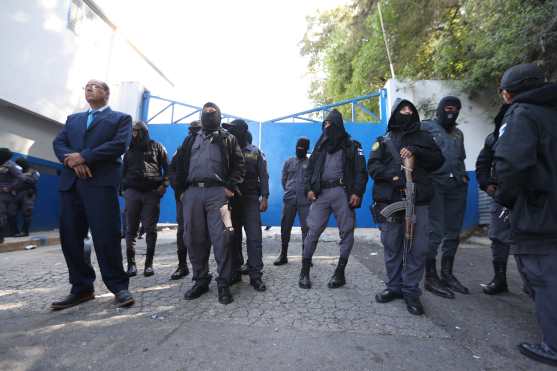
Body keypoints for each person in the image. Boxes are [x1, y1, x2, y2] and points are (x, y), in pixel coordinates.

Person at [494, 63, 557, 367]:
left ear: (509, 93)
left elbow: (511, 165)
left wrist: (505, 199)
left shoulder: (521, 114)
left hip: (538, 210)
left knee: (544, 278)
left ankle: (553, 345)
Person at [51, 79, 134, 310]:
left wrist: (85, 156)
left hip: (100, 184)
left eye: (95, 86)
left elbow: (119, 145)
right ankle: (82, 288)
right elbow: (59, 143)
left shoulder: (120, 119)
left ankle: (119, 287)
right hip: (71, 185)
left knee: (106, 236)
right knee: (71, 238)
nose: (89, 88)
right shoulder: (73, 119)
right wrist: (72, 159)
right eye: (86, 86)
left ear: (106, 93)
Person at [369, 99, 444, 315]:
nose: (408, 112)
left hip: (418, 200)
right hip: (392, 200)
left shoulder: (424, 137)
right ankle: (393, 287)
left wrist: (416, 151)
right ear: (394, 113)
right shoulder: (382, 141)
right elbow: (373, 166)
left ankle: (411, 290)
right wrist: (393, 178)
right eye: (403, 109)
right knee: (392, 245)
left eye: (411, 109)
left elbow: (438, 160)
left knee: (418, 248)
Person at [175, 102, 245, 305]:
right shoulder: (190, 140)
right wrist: (181, 191)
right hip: (193, 194)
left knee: (224, 237)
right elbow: (178, 165)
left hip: (219, 195)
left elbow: (239, 165)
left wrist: (230, 187)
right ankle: (201, 280)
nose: (208, 115)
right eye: (205, 112)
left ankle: (223, 282)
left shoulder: (228, 138)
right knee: (193, 237)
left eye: (213, 112)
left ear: (219, 116)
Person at [299, 109, 367, 289]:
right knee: (312, 231)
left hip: (342, 192)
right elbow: (310, 169)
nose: (326, 128)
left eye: (330, 124)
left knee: (346, 231)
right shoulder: (320, 146)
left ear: (338, 125)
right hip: (321, 194)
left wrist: (357, 193)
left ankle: (340, 273)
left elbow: (361, 171)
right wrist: (309, 189)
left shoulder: (352, 145)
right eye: (324, 125)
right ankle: (304, 271)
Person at [421, 96, 469, 298]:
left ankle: (447, 273)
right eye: (448, 108)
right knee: (436, 231)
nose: (452, 112)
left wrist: (464, 177)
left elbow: (460, 158)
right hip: (435, 185)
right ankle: (430, 277)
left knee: (453, 232)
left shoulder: (458, 133)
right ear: (441, 109)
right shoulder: (426, 127)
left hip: (457, 185)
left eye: (456, 109)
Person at [223, 119, 269, 291]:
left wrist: (264, 197)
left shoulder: (255, 152)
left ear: (242, 132)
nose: (231, 134)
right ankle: (235, 272)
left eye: (234, 130)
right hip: (231, 200)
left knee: (254, 238)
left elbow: (264, 176)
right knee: (231, 237)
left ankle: (255, 275)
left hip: (250, 198)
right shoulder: (226, 151)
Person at [122, 121, 169, 277]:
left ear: (144, 132)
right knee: (131, 230)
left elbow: (168, 170)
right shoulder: (129, 150)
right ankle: (131, 265)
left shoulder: (157, 147)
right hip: (133, 192)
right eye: (133, 131)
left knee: (150, 229)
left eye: (136, 131)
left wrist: (163, 186)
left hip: (151, 193)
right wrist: (123, 189)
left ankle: (149, 265)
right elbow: (123, 171)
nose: (133, 134)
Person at [475, 104, 513, 295]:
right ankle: (500, 279)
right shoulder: (493, 138)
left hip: (530, 198)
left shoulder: (537, 130)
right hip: (501, 197)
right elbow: (482, 164)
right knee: (498, 238)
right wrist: (487, 184)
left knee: (531, 240)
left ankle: (534, 283)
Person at [167, 120, 201, 280]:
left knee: (208, 231)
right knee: (183, 231)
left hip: (205, 194)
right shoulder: (181, 149)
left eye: (198, 130)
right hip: (184, 195)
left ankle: (204, 269)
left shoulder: (209, 147)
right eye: (192, 130)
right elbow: (172, 171)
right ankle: (182, 266)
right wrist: (179, 191)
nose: (194, 133)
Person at [274, 137, 311, 266]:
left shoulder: (311, 163)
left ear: (307, 149)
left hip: (305, 201)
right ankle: (283, 255)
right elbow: (284, 180)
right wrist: (289, 190)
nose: (299, 150)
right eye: (297, 148)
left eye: (302, 148)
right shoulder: (289, 162)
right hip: (289, 199)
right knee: (285, 227)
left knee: (306, 229)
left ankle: (306, 257)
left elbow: (313, 181)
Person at [9, 158, 40, 237]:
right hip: (16, 194)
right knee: (11, 213)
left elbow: (33, 180)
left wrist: (22, 176)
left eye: (19, 164)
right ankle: (14, 231)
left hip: (28, 194)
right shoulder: (16, 171)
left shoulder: (33, 172)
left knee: (27, 213)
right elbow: (12, 181)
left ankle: (25, 232)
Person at [0, 148, 22, 244]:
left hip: (4, 195)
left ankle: (0, 237)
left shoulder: (11, 165)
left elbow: (21, 178)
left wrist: (10, 187)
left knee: (1, 214)